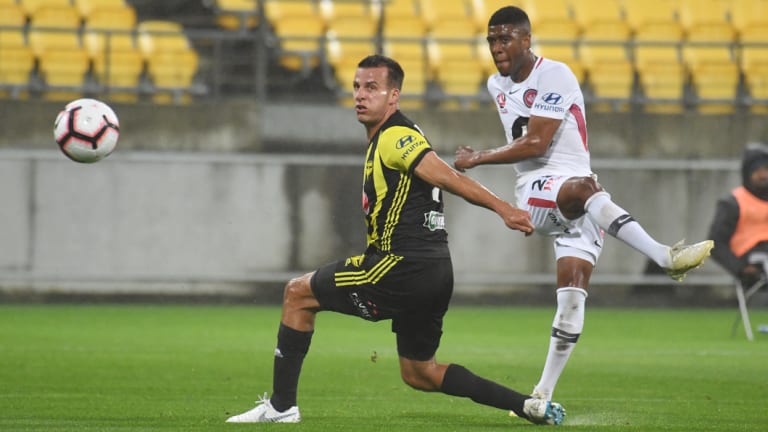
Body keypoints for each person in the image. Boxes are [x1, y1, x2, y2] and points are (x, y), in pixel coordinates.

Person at [226, 54, 566, 426]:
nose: (360, 95)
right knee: (420, 373)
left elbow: (444, 175)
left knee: (297, 293)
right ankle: (527, 405)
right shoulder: (392, 136)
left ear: (394, 96)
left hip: (401, 266)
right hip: (435, 270)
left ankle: (281, 407)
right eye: (356, 86)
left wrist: (503, 208)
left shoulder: (395, 136)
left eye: (372, 87)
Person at [453, 6, 714, 405]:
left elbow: (538, 142)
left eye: (504, 38)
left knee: (572, 299)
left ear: (526, 39)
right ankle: (664, 257)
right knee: (584, 189)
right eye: (491, 40)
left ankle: (540, 396)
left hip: (582, 197)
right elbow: (534, 153)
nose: (496, 47)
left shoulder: (555, 74)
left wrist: (477, 157)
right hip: (539, 190)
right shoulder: (495, 84)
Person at [708, 143, 768, 294]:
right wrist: (740, 269)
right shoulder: (733, 203)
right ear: (747, 173)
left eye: (766, 169)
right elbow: (715, 244)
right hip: (752, 260)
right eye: (757, 170)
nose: (763, 175)